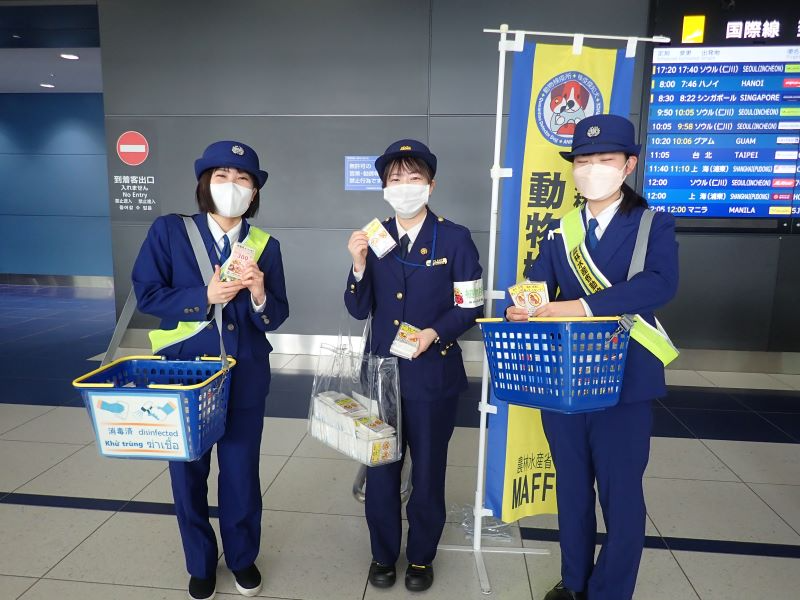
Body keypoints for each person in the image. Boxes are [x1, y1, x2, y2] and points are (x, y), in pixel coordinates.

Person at [505, 114, 679, 600]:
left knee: (621, 496)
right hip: (567, 378)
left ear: (628, 165)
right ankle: (575, 581)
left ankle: (609, 591)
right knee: (573, 489)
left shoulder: (651, 223)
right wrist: (521, 303)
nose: (593, 169)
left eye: (605, 160)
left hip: (626, 380)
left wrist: (578, 306)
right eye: (584, 160)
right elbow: (537, 280)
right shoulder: (562, 229)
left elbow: (659, 284)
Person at [132, 140, 289, 600]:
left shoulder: (265, 245)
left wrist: (259, 294)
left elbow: (276, 314)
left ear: (255, 193)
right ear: (205, 184)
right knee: (188, 472)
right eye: (223, 176)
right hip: (185, 373)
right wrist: (203, 296)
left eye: (244, 179)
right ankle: (200, 563)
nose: (233, 185)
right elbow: (147, 294)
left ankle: (242, 559)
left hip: (245, 376)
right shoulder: (170, 231)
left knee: (241, 472)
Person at [344, 139, 484, 592]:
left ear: (431, 184)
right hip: (382, 376)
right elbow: (356, 307)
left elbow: (470, 306)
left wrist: (434, 333)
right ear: (385, 187)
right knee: (382, 467)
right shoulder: (375, 235)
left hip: (432, 374)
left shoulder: (455, 237)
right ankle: (383, 553)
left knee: (428, 471)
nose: (405, 187)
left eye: (414, 178)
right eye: (396, 180)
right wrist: (358, 265)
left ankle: (421, 557)